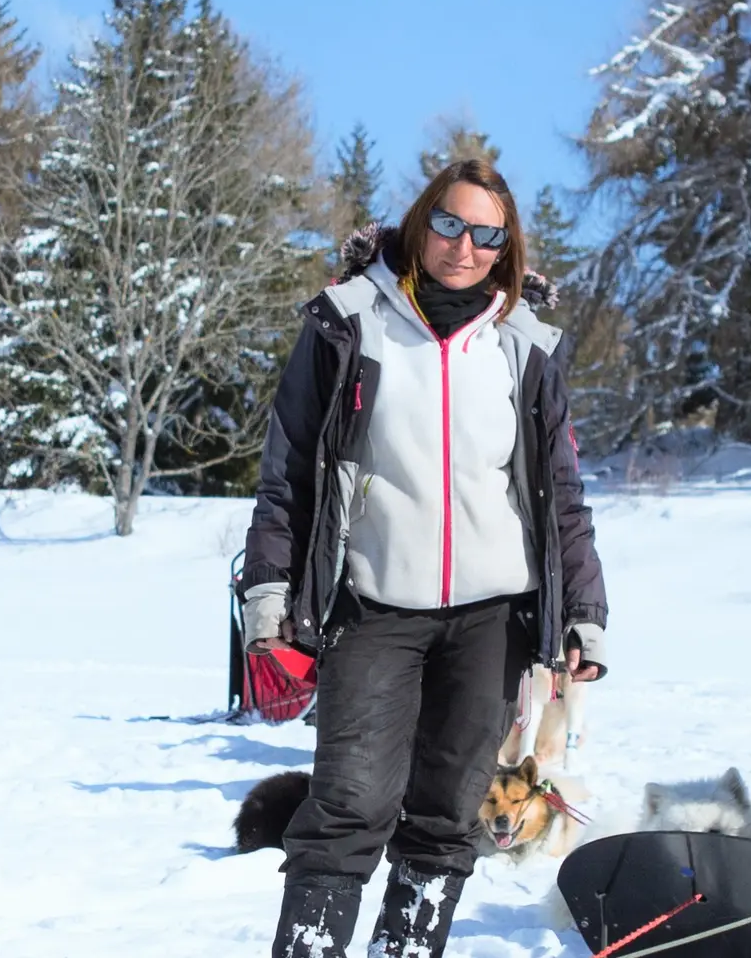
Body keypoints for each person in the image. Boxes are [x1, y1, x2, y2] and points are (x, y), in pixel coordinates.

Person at [237, 158, 608, 958]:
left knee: (446, 818)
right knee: (347, 806)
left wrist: (583, 612)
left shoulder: (524, 347)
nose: (463, 246)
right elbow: (290, 469)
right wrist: (269, 591)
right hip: (373, 608)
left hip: (491, 620)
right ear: (419, 222)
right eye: (448, 223)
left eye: (486, 234)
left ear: (505, 247)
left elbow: (560, 494)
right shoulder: (350, 321)